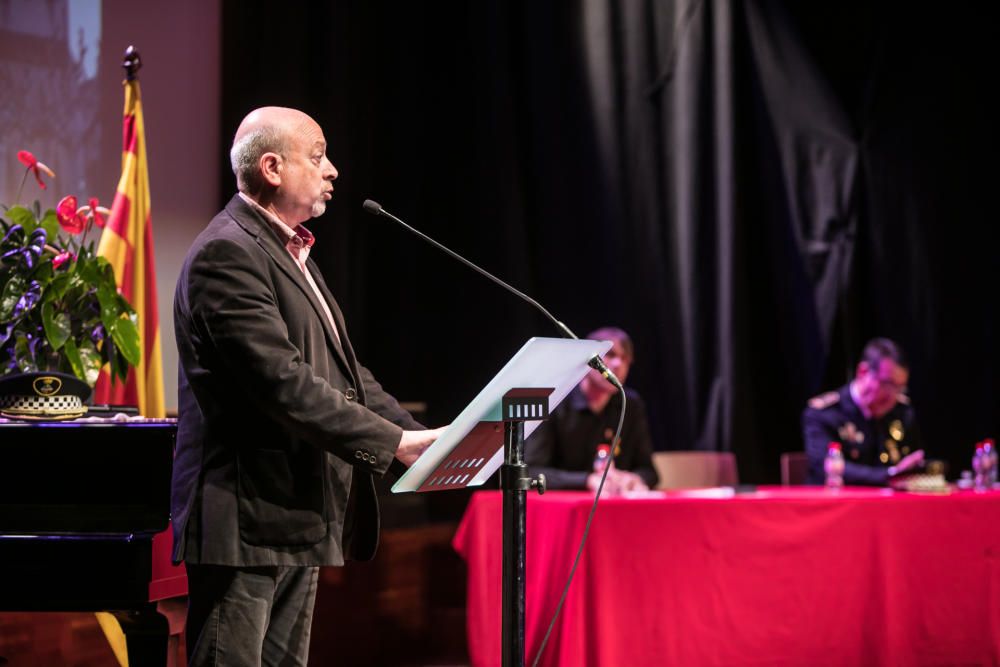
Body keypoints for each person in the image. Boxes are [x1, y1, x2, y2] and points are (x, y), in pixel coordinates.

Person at [172, 106, 444, 666]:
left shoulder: (289, 252)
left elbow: (344, 376)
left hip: (296, 515)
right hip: (245, 523)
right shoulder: (228, 254)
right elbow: (282, 383)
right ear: (272, 167)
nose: (333, 170)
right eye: (317, 156)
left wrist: (427, 439)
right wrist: (393, 444)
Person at [524, 326, 658, 494]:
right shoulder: (555, 401)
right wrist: (587, 480)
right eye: (610, 355)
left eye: (625, 358)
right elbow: (531, 471)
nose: (618, 364)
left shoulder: (631, 404)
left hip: (613, 507)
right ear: (587, 360)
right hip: (561, 509)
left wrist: (633, 479)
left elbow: (649, 471)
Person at [802, 337, 924, 485]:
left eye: (899, 388)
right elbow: (826, 468)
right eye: (887, 383)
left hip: (890, 506)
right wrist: (890, 475)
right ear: (863, 371)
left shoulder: (902, 413)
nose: (892, 396)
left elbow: (912, 465)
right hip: (838, 505)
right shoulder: (825, 413)